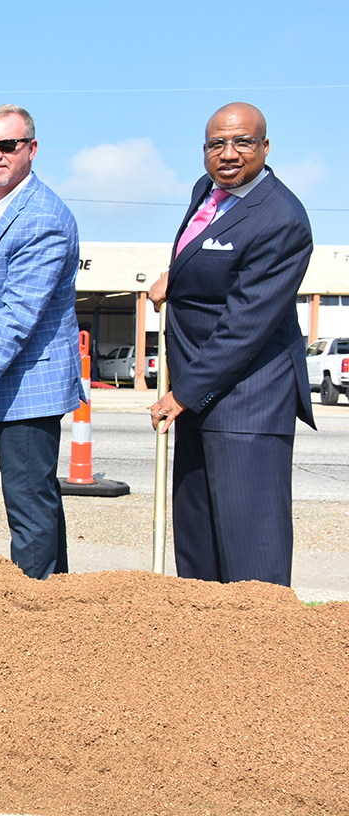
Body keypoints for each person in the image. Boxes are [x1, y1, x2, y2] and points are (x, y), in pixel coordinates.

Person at [148, 102, 314, 586]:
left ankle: (264, 656)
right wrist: (173, 279)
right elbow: (208, 259)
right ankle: (206, 654)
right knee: (198, 546)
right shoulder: (209, 191)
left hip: (248, 403)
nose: (228, 153)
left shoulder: (282, 219)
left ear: (265, 147)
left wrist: (181, 392)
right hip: (202, 398)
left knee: (250, 560)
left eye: (242, 142)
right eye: (217, 143)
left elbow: (246, 323)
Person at [0, 105, 85, 580]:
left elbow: (18, 316)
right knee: (35, 498)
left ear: (32, 148)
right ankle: (56, 593)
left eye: (8, 145)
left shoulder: (41, 216)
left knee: (27, 503)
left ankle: (32, 604)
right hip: (15, 386)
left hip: (30, 386)